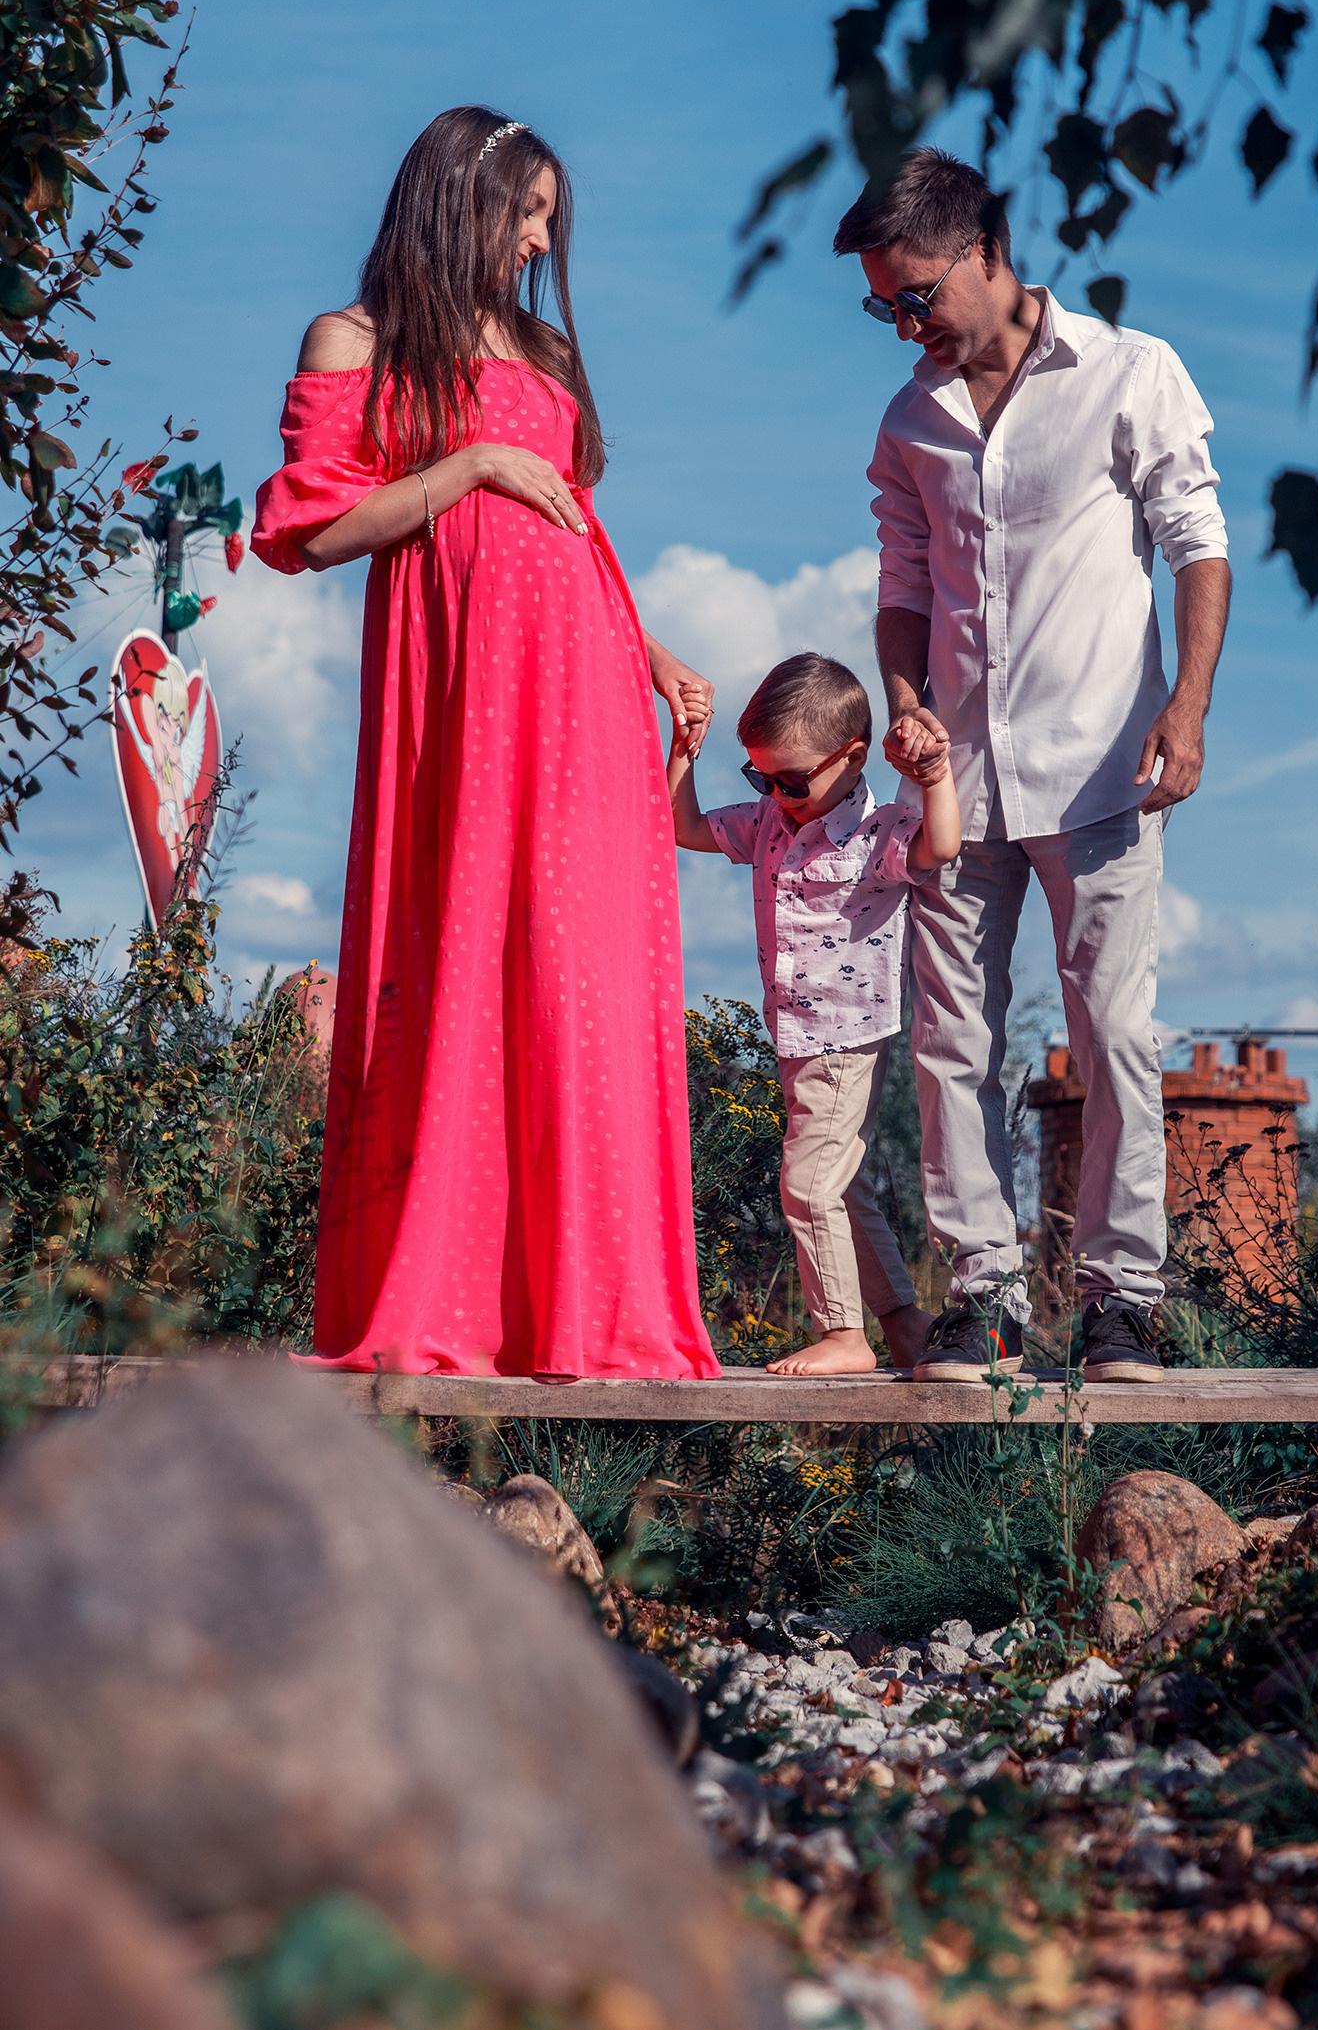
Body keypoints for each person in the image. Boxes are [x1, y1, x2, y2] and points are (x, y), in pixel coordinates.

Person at [252, 105, 720, 1380]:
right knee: (459, 949)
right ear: (458, 199)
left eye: (548, 223)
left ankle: (589, 1307)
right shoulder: (356, 340)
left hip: (584, 683)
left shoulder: (546, 348)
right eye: (522, 213)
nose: (533, 242)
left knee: (579, 973)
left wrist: (654, 651)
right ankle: (457, 1304)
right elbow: (313, 529)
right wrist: (467, 469)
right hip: (454, 690)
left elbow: (579, 527)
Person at [836, 148, 1232, 1385]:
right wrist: (903, 699)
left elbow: (1198, 547)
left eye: (915, 298)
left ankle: (1122, 1300)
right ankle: (986, 1300)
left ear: (988, 254)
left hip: (1105, 766)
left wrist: (1189, 705)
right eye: (883, 309)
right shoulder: (911, 420)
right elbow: (905, 588)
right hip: (955, 788)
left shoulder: (1131, 371)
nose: (904, 326)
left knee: (1111, 1034)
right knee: (949, 1042)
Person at [667, 652, 961, 1377]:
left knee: (806, 1184)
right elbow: (686, 829)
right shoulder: (769, 821)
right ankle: (900, 1319)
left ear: (850, 757)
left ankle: (842, 1332)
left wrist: (935, 778)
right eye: (758, 777)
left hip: (845, 1038)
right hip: (797, 1038)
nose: (774, 793)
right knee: (842, 1182)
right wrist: (681, 754)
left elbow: (942, 845)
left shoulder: (877, 831)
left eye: (790, 779)